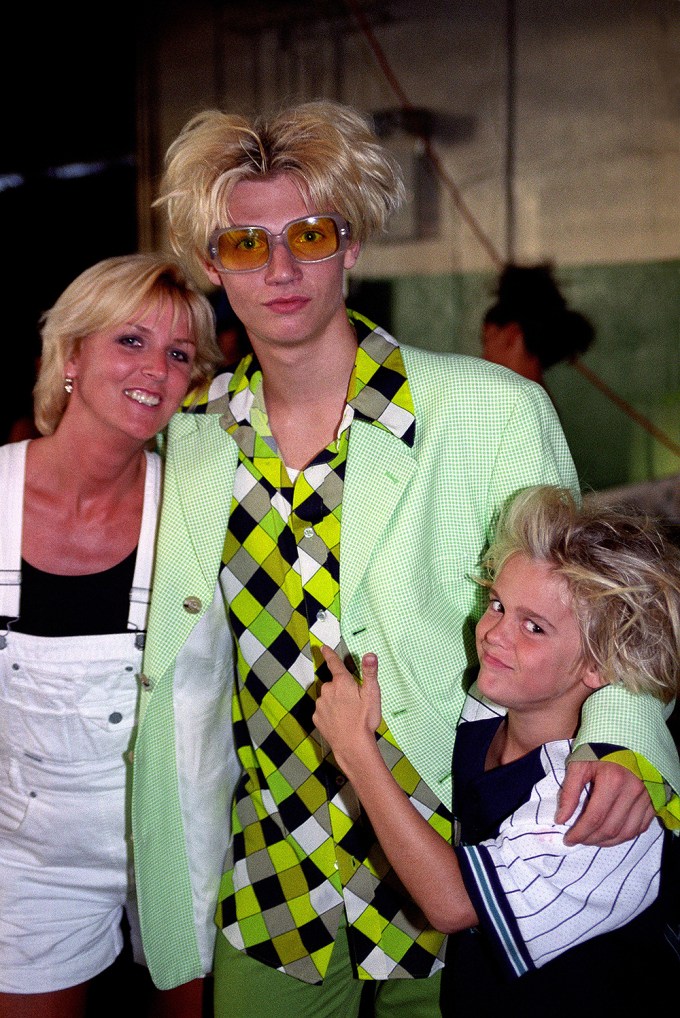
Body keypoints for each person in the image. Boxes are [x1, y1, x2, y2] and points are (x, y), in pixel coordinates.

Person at [131, 99, 679, 1017]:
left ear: (350, 244)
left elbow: (601, 608)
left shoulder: (490, 410)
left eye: (309, 233)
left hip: (447, 861)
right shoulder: (194, 442)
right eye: (243, 244)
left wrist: (628, 741)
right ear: (210, 266)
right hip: (273, 877)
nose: (281, 267)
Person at [314, 484, 680, 1015]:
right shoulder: (490, 706)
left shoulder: (593, 809)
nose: (494, 635)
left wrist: (356, 751)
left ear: (600, 664)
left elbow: (452, 904)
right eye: (497, 605)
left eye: (534, 627)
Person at [0, 254, 221, 1018]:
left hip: (186, 836)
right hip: (30, 856)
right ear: (71, 355)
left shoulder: (203, 514)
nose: (155, 370)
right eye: (130, 341)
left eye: (180, 355)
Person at [482, 262, 594, 388]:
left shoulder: (512, 399)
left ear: (512, 334)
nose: (483, 356)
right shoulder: (538, 396)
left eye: (487, 341)